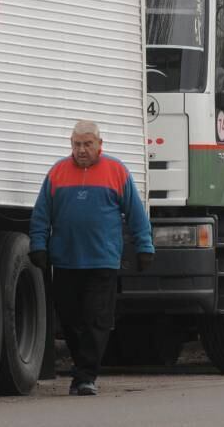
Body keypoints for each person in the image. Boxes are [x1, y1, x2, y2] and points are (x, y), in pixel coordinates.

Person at [29, 120, 155, 396]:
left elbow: (136, 214)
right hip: (66, 261)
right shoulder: (57, 173)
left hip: (102, 261)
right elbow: (41, 215)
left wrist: (145, 247)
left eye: (87, 144)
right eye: (77, 144)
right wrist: (38, 245)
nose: (82, 150)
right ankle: (81, 366)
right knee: (71, 319)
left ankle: (86, 376)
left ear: (100, 144)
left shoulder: (117, 172)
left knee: (95, 319)